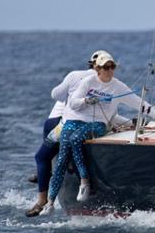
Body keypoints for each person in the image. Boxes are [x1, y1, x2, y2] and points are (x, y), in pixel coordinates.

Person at [40, 53, 155, 215]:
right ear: (97, 68)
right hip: (76, 119)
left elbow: (139, 103)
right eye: (105, 67)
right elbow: (73, 103)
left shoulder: (118, 86)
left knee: (76, 139)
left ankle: (84, 181)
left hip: (99, 124)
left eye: (112, 67)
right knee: (62, 158)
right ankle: (50, 203)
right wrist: (86, 101)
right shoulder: (88, 82)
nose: (109, 71)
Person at [25, 50, 108, 217]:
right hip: (84, 125)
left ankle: (42, 199)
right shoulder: (107, 83)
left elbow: (55, 94)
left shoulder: (75, 75)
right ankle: (61, 178)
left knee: (42, 157)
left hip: (58, 123)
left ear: (91, 64)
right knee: (66, 155)